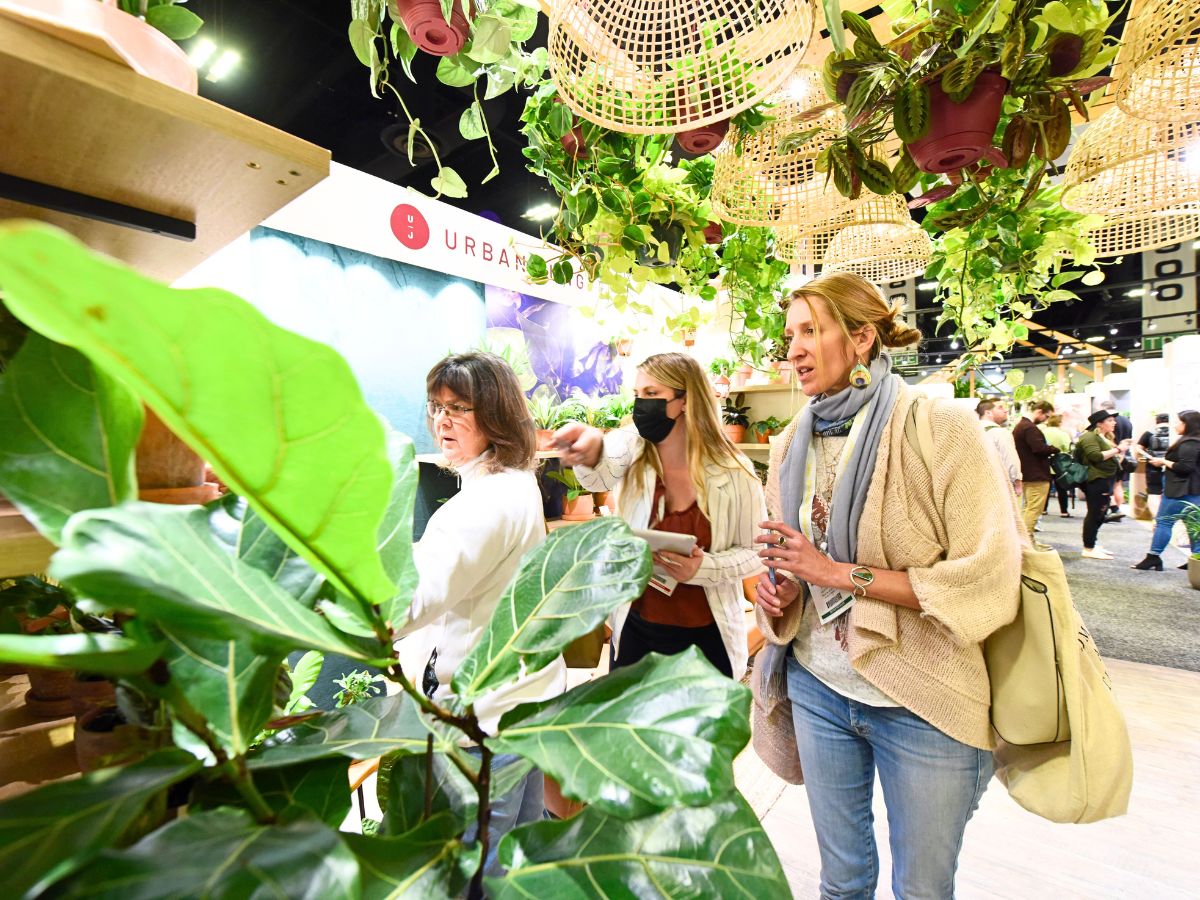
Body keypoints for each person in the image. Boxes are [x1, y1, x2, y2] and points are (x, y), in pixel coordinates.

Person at [752, 272, 1022, 899]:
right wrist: (785, 593)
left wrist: (834, 573)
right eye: (790, 333)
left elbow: (986, 577)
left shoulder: (941, 426)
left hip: (924, 697)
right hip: (819, 686)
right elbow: (798, 570)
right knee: (841, 882)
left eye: (811, 331)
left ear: (863, 339)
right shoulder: (792, 441)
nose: (793, 348)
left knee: (923, 889)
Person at [399, 351, 565, 866]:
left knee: (477, 869)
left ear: (494, 414)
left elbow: (406, 607)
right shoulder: (517, 484)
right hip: (524, 704)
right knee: (514, 861)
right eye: (436, 407)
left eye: (459, 407)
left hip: (482, 726)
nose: (442, 420)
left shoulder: (478, 505)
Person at [556, 352, 766, 680]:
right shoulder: (632, 445)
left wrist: (704, 568)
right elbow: (600, 475)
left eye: (652, 394)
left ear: (685, 399)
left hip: (706, 642)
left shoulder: (734, 472)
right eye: (638, 395)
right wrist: (590, 451)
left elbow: (755, 553)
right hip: (637, 632)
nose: (641, 405)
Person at [1132, 410, 1200, 571]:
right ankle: (1195, 559)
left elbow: (1185, 467)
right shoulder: (1193, 441)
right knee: (1192, 524)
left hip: (1180, 490)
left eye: (1178, 422)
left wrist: (1164, 461)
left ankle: (1153, 557)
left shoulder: (1189, 443)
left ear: (1188, 424)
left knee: (1164, 522)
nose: (1175, 425)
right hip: (1191, 489)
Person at [1075, 409, 1131, 560]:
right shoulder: (1089, 436)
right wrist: (1119, 448)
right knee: (1095, 513)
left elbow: (1113, 459)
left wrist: (1120, 450)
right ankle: (1088, 547)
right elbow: (1095, 456)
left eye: (1114, 420)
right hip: (1096, 479)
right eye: (1110, 420)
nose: (1114, 423)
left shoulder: (1103, 437)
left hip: (1105, 479)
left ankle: (1091, 543)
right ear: (1099, 423)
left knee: (1100, 512)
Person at [1013, 400, 1058, 545]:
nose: (1046, 420)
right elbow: (1039, 448)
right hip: (1036, 475)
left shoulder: (1021, 426)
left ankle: (1026, 540)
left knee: (1027, 509)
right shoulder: (1029, 428)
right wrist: (1053, 449)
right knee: (1033, 510)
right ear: (1039, 411)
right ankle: (1025, 541)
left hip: (1028, 473)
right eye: (1046, 416)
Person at [977, 398, 1022, 494]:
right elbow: (1010, 459)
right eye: (1000, 407)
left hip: (976, 484)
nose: (1005, 410)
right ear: (988, 413)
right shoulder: (1000, 433)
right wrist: (1017, 481)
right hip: (998, 485)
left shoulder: (970, 431)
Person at [1099, 399, 1133, 512]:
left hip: (1112, 455)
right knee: (1118, 484)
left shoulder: (1107, 421)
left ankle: (1113, 509)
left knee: (1108, 484)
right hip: (1124, 455)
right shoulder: (1127, 421)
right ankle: (1117, 509)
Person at [1040, 412, 1074, 517]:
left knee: (1045, 489)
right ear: (1059, 422)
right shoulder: (1063, 434)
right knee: (1062, 489)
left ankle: (1043, 510)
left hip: (1044, 464)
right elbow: (1067, 448)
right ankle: (1064, 511)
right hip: (1059, 465)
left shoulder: (1041, 432)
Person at [1137, 413, 1172, 504]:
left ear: (1156, 421)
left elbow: (1138, 449)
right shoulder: (1175, 433)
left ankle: (1155, 516)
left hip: (1153, 467)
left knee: (1154, 493)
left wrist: (1150, 457)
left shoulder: (1149, 433)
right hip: (1171, 466)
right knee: (1169, 493)